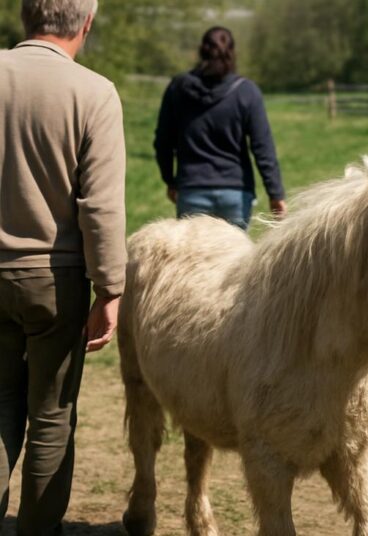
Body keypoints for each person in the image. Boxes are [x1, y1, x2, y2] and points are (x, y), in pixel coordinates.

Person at [0, 0, 126, 534]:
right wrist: (110, 289)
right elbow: (100, 206)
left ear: (27, 15)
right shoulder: (94, 93)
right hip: (55, 280)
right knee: (51, 417)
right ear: (87, 23)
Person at [154, 26, 287, 229]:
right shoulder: (247, 91)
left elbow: (163, 141)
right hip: (235, 194)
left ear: (201, 51)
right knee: (233, 260)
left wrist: (170, 181)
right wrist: (275, 194)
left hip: (192, 190)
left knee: (192, 260)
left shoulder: (178, 88)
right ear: (232, 52)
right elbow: (263, 147)